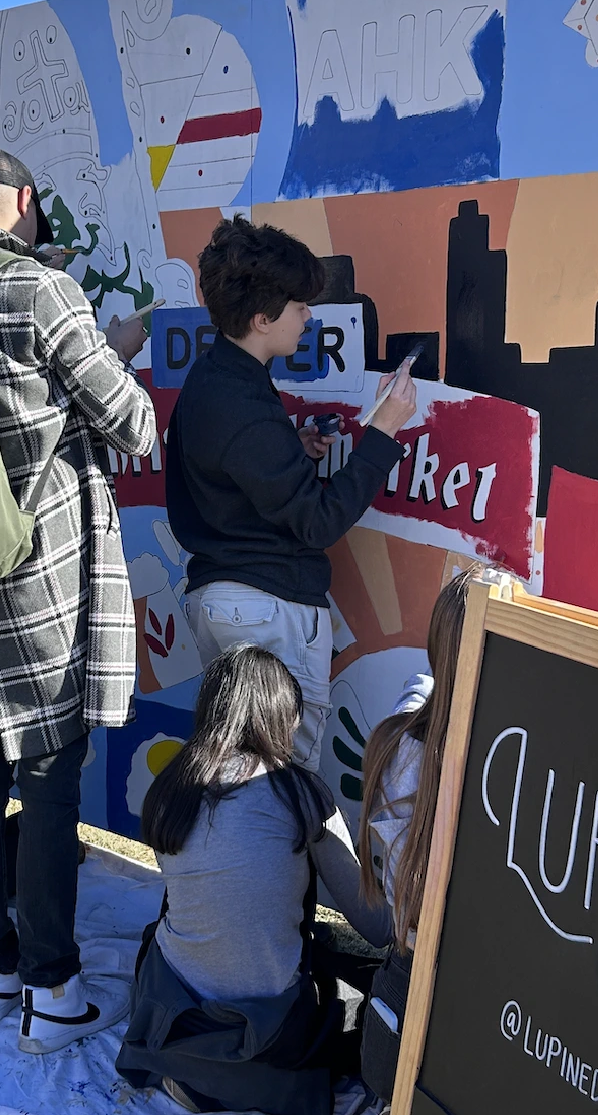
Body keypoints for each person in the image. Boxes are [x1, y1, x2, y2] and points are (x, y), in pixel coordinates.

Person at [0, 146, 155, 1054]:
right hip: (41, 574)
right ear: (24, 201)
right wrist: (116, 348)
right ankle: (52, 988)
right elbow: (133, 424)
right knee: (48, 780)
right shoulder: (42, 291)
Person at [165, 217, 418, 767]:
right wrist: (384, 432)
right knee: (282, 781)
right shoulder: (243, 403)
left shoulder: (213, 378)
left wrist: (287, 451)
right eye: (299, 306)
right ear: (262, 319)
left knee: (236, 773)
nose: (309, 317)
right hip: (266, 611)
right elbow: (318, 522)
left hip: (225, 605)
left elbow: (225, 472)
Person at [116, 645, 393, 1115]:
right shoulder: (300, 792)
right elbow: (377, 926)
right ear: (279, 716)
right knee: (366, 998)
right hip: (272, 1029)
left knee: (159, 936)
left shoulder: (169, 788)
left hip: (176, 1011)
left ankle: (188, 1071)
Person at [355, 569, 473, 1115]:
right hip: (468, 1029)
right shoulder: (501, 764)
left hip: (397, 1011)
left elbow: (417, 692)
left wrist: (431, 679)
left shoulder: (396, 740)